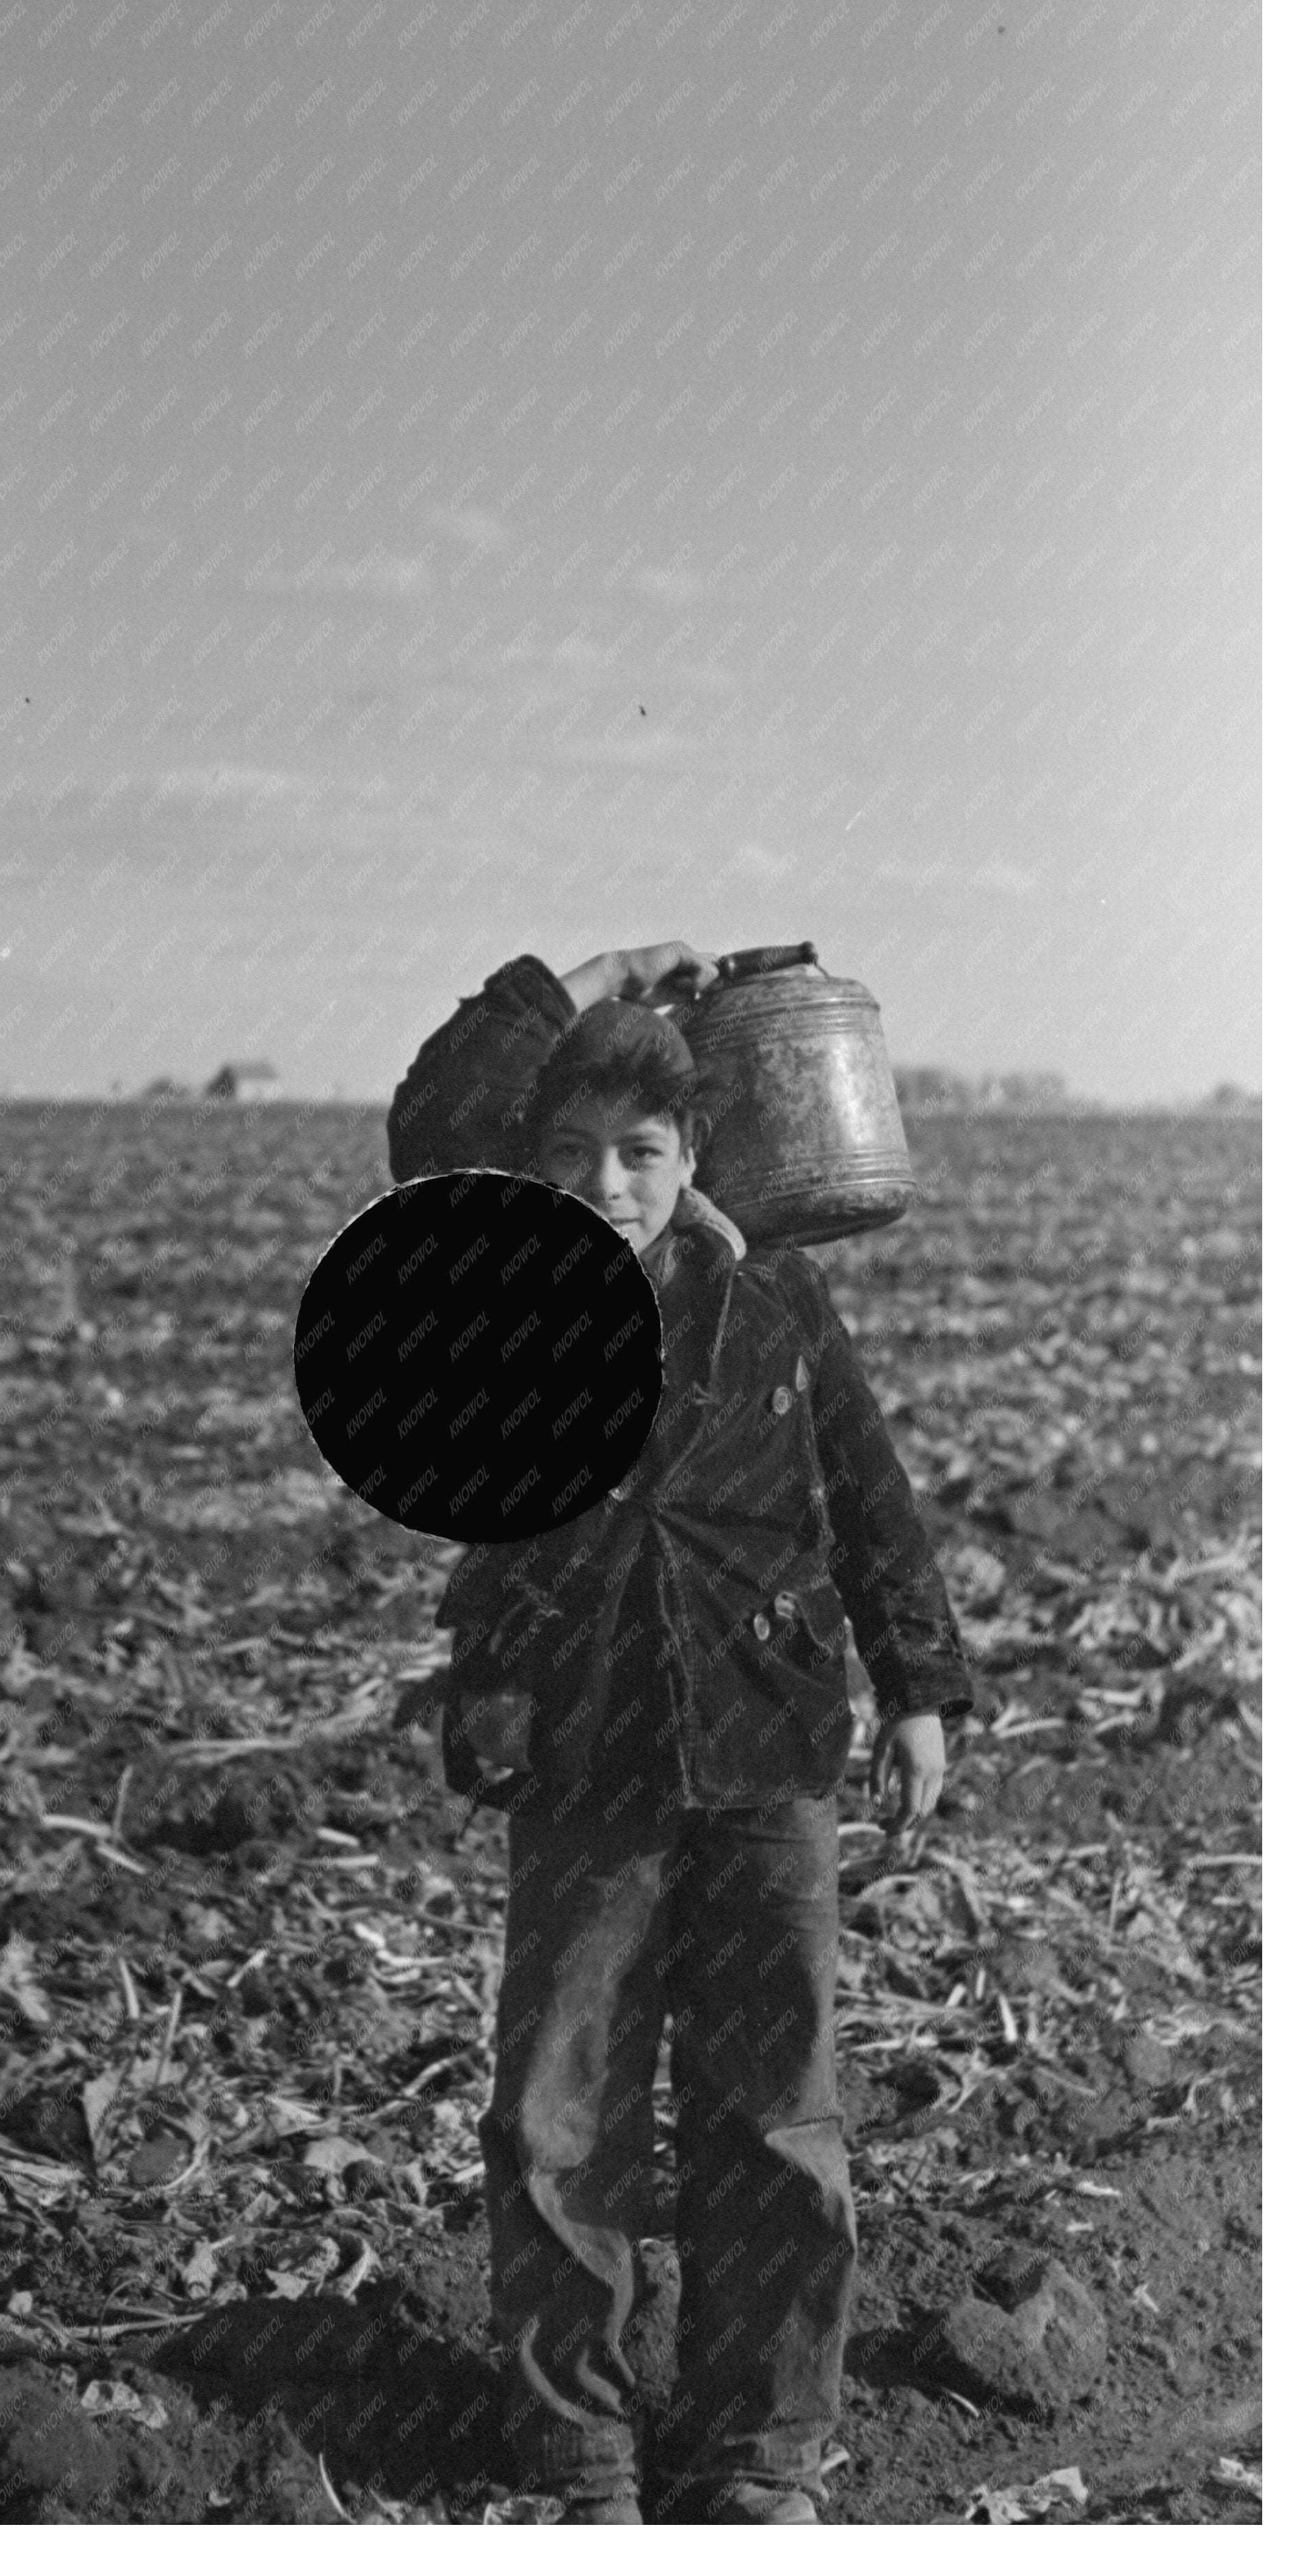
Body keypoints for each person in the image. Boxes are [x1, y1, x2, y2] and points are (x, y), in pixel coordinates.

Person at [386, 941, 975, 2526]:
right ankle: (576, 2445)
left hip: (768, 1748)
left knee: (772, 2114)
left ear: (693, 1158)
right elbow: (490, 1523)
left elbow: (868, 1496)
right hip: (589, 1754)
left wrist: (918, 1685)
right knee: (555, 2110)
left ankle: (761, 2443)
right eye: (570, 1155)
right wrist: (491, 1674)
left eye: (639, 1154)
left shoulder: (775, 1299)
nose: (606, 1184)